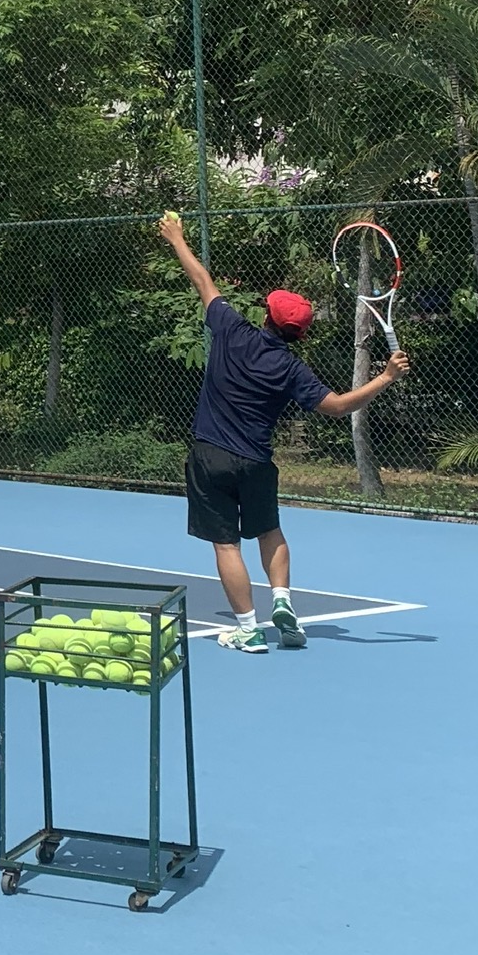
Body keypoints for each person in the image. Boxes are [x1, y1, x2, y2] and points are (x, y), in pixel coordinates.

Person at [157, 210, 411, 653]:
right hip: (256, 462)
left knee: (225, 544)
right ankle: (282, 602)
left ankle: (247, 628)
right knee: (269, 532)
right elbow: (336, 407)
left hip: (209, 457)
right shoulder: (292, 369)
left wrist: (176, 237)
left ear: (266, 315)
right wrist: (384, 377)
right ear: (300, 334)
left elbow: (201, 280)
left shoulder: (230, 329)